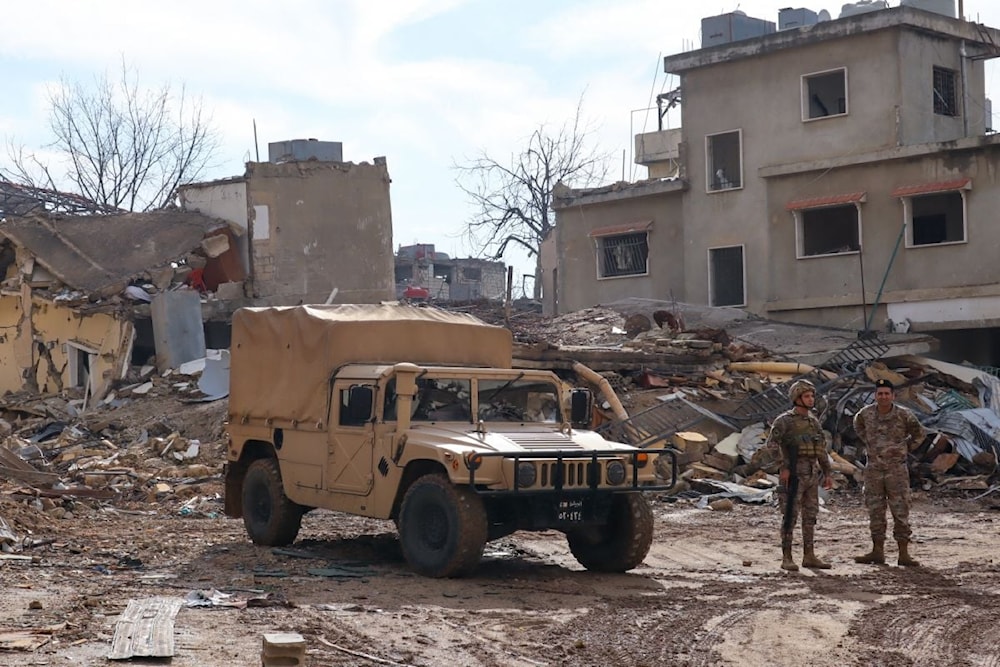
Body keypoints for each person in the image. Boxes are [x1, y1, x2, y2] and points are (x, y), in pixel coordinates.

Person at [853, 378, 926, 567]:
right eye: (880, 393)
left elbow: (920, 433)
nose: (883, 396)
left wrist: (905, 447)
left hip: (896, 470)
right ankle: (877, 551)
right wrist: (870, 442)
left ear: (893, 396)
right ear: (875, 396)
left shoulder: (904, 415)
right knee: (875, 510)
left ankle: (904, 553)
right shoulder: (865, 414)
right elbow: (858, 427)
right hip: (874, 469)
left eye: (886, 393)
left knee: (900, 510)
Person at [766, 379, 833, 571]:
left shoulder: (813, 421)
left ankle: (809, 555)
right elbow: (771, 445)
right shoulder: (784, 421)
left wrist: (827, 472)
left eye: (812, 395)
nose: (811, 399)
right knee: (790, 515)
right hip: (793, 473)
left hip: (811, 473)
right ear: (797, 398)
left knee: (810, 515)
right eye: (806, 396)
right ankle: (787, 557)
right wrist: (784, 466)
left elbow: (820, 448)